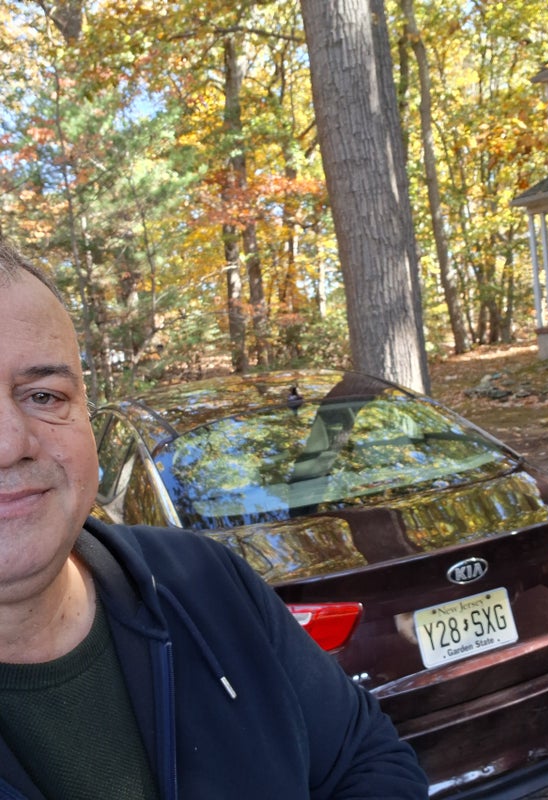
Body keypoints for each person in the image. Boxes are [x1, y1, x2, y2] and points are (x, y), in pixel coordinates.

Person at [0, 240, 429, 800]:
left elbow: (366, 757)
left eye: (43, 395)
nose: (10, 445)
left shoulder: (201, 580)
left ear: (85, 413)